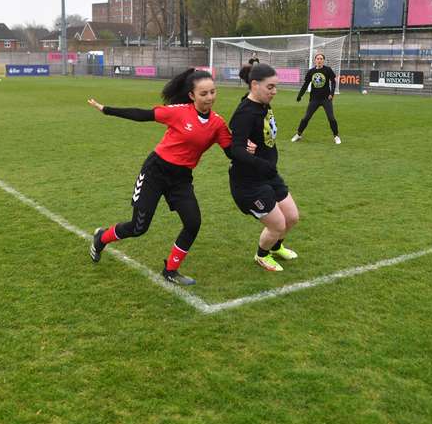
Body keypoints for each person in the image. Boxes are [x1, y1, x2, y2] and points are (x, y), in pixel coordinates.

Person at [88, 68, 249, 286]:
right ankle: (102, 237)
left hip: (181, 179)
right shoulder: (179, 112)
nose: (209, 97)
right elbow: (142, 114)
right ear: (192, 95)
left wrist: (246, 145)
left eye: (213, 92)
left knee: (193, 223)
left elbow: (231, 152)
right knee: (138, 227)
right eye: (204, 94)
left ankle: (171, 270)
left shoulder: (218, 124)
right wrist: (106, 109)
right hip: (156, 171)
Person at [229, 63, 300, 272]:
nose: (274, 92)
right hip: (248, 182)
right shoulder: (244, 113)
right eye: (270, 87)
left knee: (292, 217)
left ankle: (276, 247)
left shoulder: (262, 104)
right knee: (277, 224)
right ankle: (262, 255)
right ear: (254, 85)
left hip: (268, 174)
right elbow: (236, 151)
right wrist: (259, 162)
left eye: (275, 87)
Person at [291, 52, 341, 145]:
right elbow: (305, 84)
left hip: (326, 99)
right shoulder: (311, 71)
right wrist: (300, 95)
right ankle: (298, 134)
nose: (319, 60)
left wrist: (332, 93)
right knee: (306, 118)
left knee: (331, 118)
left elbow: (333, 82)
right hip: (314, 99)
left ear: (323, 60)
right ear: (315, 60)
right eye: (318, 58)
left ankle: (336, 136)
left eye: (321, 59)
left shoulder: (328, 70)